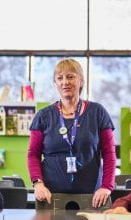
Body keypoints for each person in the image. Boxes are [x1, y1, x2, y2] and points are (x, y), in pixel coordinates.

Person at [27, 58, 116, 208]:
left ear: (81, 81)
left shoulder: (98, 112)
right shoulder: (43, 116)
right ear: (55, 83)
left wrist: (107, 187)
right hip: (50, 198)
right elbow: (33, 154)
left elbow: (109, 154)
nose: (65, 82)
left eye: (70, 76)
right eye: (60, 78)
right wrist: (38, 184)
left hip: (93, 198)